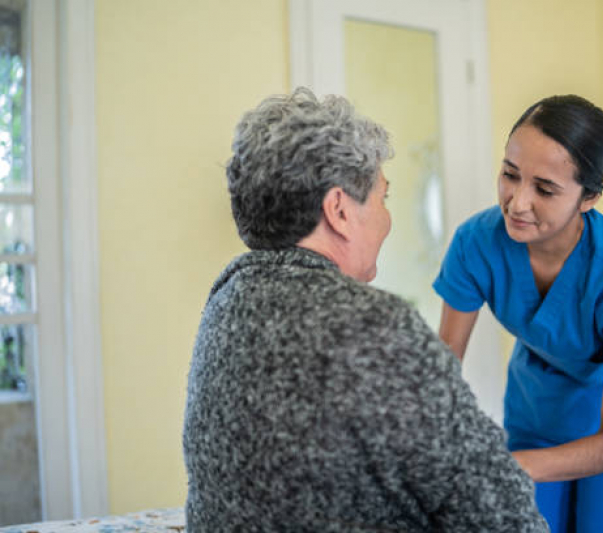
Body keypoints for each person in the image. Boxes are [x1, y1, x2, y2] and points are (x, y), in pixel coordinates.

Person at [182, 87, 549, 533]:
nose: (386, 219)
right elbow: (502, 515)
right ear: (338, 210)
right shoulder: (374, 327)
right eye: (382, 198)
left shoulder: (226, 299)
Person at [433, 94, 603, 533]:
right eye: (510, 175)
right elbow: (440, 371)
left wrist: (504, 466)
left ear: (589, 198)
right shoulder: (476, 244)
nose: (517, 202)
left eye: (544, 189)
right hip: (534, 412)